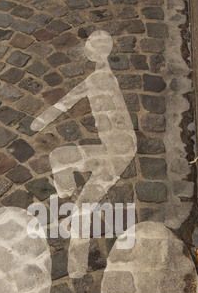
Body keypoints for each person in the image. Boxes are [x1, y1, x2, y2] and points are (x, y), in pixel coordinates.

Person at [31, 30, 137, 278]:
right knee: (59, 157)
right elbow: (66, 101)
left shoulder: (102, 78)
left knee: (83, 208)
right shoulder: (96, 78)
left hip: (119, 150)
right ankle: (66, 199)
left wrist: (39, 122)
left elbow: (67, 102)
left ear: (91, 53)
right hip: (110, 148)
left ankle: (77, 267)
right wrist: (40, 121)